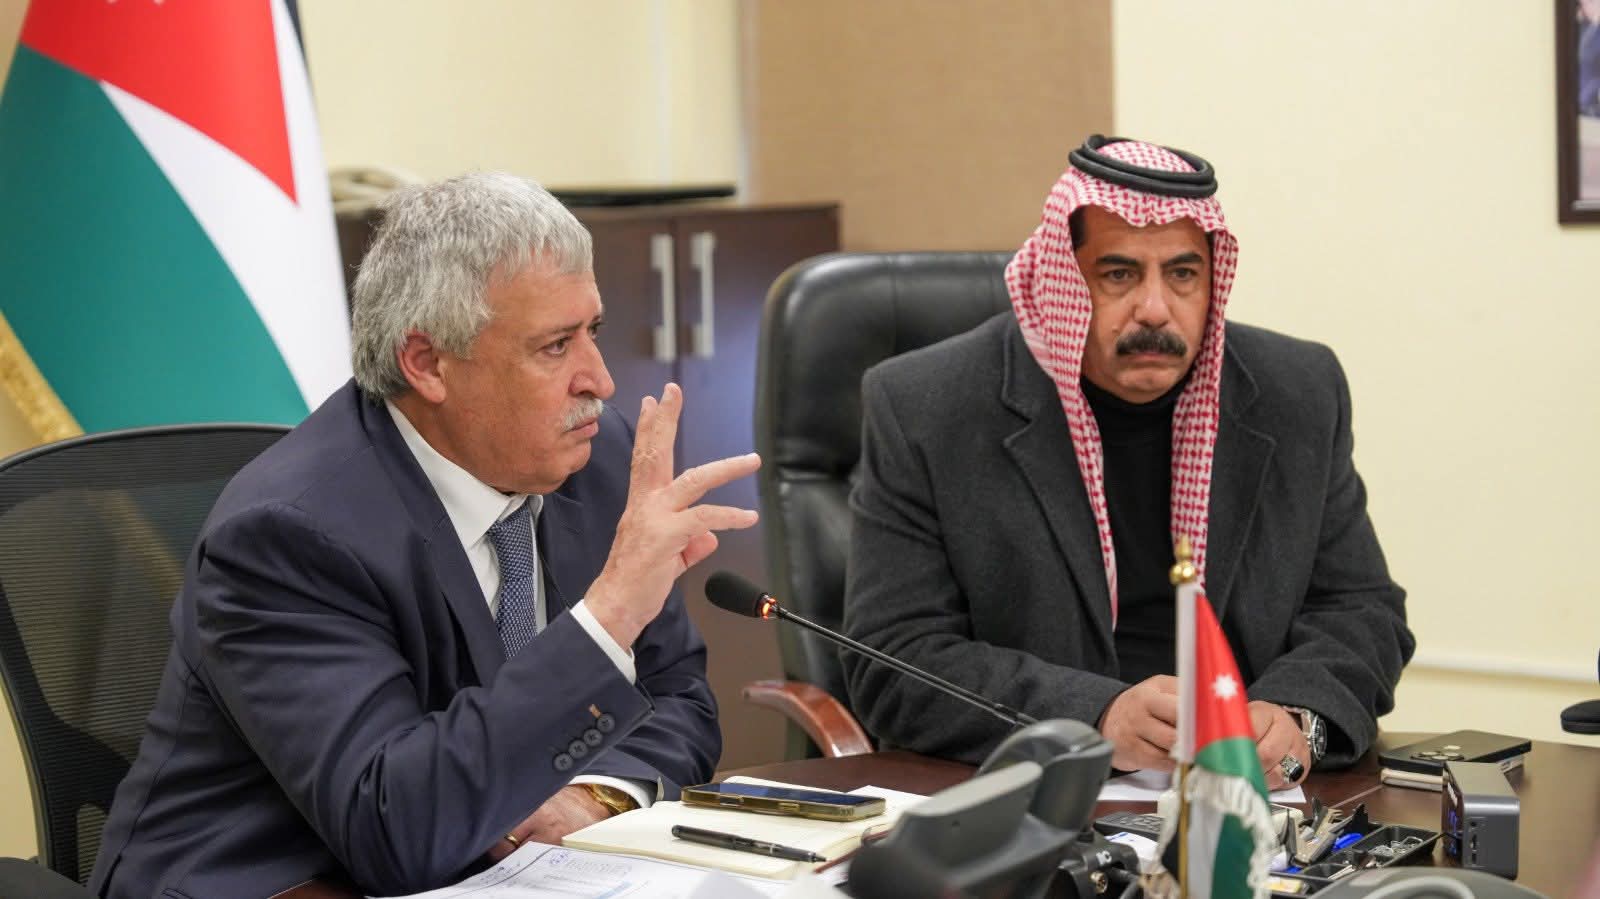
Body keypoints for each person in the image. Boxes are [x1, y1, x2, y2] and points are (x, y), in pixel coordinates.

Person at [90, 173, 760, 898]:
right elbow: (394, 828)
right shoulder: (287, 535)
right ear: (427, 363)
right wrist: (609, 617)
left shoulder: (598, 460)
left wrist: (592, 796)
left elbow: (677, 698)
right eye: (555, 346)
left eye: (591, 331)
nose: (598, 379)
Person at [842, 136, 1412, 790]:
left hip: (1245, 801)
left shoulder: (1299, 392)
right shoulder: (926, 406)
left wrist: (1298, 716)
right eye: (1118, 275)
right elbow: (893, 659)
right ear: (1061, 279)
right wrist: (1095, 716)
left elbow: (1362, 609)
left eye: (1183, 274)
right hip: (1034, 797)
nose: (1155, 310)